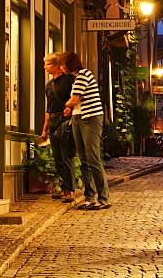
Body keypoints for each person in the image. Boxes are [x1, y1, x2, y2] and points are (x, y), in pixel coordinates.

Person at [59, 51, 111, 210]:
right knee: (84, 159)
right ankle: (89, 197)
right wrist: (71, 109)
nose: (60, 67)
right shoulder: (76, 78)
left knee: (93, 157)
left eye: (62, 64)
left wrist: (67, 105)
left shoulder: (83, 74)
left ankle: (103, 198)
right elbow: (77, 101)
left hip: (90, 118)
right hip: (78, 117)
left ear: (68, 64)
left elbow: (74, 99)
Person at [38, 53, 77, 202]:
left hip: (64, 119)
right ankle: (64, 187)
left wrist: (71, 112)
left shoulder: (68, 80)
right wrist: (45, 128)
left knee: (66, 155)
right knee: (57, 157)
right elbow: (49, 108)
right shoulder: (49, 85)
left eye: (48, 64)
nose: (45, 67)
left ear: (57, 66)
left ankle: (70, 190)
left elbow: (77, 97)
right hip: (53, 120)